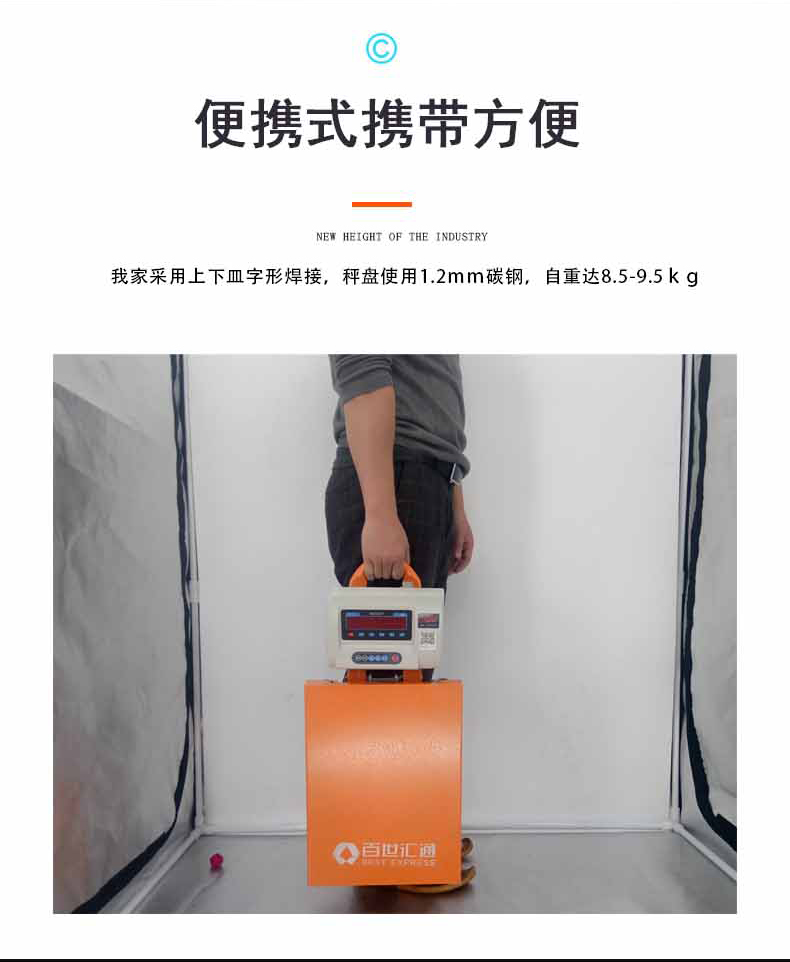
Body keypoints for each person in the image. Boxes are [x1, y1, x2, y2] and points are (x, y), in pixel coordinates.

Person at [324, 355, 474, 680]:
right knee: (387, 684)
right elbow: (362, 372)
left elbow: (433, 392)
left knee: (408, 682)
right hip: (393, 478)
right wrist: (380, 515)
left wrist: (453, 496)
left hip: (423, 479)